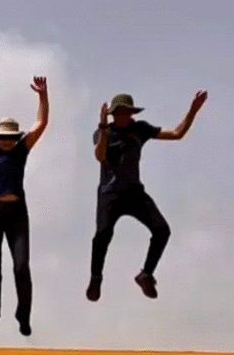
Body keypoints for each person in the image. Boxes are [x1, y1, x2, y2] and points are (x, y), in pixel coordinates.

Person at [86, 89, 208, 302]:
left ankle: (146, 275)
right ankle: (96, 278)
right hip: (109, 194)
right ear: (113, 114)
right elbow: (100, 156)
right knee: (102, 234)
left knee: (162, 230)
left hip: (134, 193)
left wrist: (193, 110)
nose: (124, 116)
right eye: (120, 112)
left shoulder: (140, 129)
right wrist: (103, 128)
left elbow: (176, 133)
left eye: (128, 112)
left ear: (132, 113)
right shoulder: (102, 132)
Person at [0, 72, 49, 338]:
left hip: (17, 214)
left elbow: (41, 123)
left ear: (16, 138)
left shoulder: (21, 150)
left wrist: (42, 95)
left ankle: (23, 317)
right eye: (3, 137)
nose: (7, 141)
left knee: (21, 267)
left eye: (11, 137)